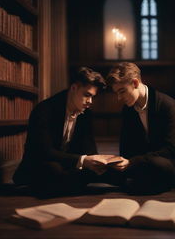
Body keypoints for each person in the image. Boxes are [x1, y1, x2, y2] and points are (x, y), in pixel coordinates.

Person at [13, 67, 116, 196]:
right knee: (54, 170)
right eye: (87, 95)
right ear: (74, 88)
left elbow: (89, 149)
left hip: (68, 165)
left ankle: (127, 181)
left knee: (108, 169)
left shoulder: (86, 113)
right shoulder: (44, 110)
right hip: (42, 164)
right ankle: (75, 181)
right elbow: (45, 152)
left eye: (93, 97)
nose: (90, 101)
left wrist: (98, 162)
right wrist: (84, 161)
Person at [106, 62, 175, 194]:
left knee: (158, 165)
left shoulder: (169, 106)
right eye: (116, 93)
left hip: (171, 165)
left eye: (122, 91)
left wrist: (132, 162)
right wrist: (122, 163)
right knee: (106, 169)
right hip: (144, 163)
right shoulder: (128, 109)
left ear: (135, 83)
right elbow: (126, 146)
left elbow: (169, 150)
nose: (119, 98)